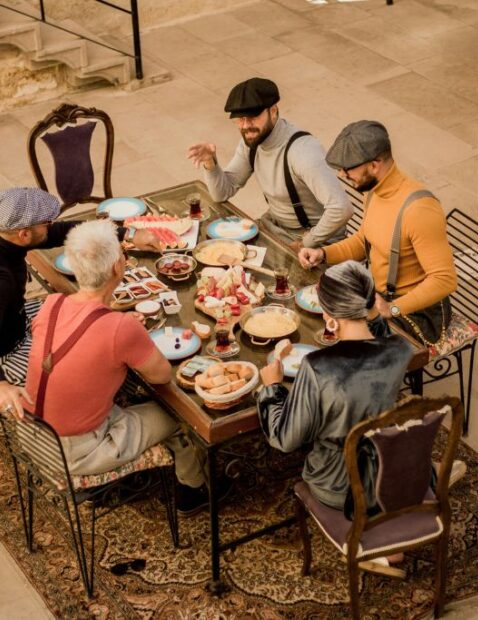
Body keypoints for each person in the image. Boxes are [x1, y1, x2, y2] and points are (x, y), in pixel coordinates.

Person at [21, 220, 214, 515]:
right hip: (74, 452)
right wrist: (123, 332)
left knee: (128, 390)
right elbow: (162, 375)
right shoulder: (119, 327)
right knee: (180, 415)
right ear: (117, 268)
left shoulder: (53, 304)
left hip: (30, 433)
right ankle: (194, 489)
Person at [0, 187, 161, 416]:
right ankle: (129, 390)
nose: (51, 224)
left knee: (73, 310)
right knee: (83, 363)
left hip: (6, 321)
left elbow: (61, 232)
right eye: (45, 222)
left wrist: (127, 234)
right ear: (24, 235)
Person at [256, 261, 414, 514]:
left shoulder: (318, 366)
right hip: (388, 468)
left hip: (338, 484)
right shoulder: (401, 350)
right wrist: (371, 311)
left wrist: (272, 387)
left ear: (328, 315)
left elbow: (285, 439)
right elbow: (381, 336)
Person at [298, 121, 457, 348]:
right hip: (378, 296)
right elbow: (365, 240)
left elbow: (445, 280)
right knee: (316, 314)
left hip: (416, 314)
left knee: (338, 342)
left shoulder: (420, 209)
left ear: (374, 165)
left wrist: (392, 309)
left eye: (348, 168)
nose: (342, 174)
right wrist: (323, 253)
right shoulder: (372, 191)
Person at [186, 77, 352, 251]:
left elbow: (341, 208)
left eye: (253, 117)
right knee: (212, 250)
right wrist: (210, 162)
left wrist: (307, 243)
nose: (246, 126)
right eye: (240, 119)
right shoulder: (252, 142)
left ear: (273, 111)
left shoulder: (303, 152)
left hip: (318, 242)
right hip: (275, 228)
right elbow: (222, 193)